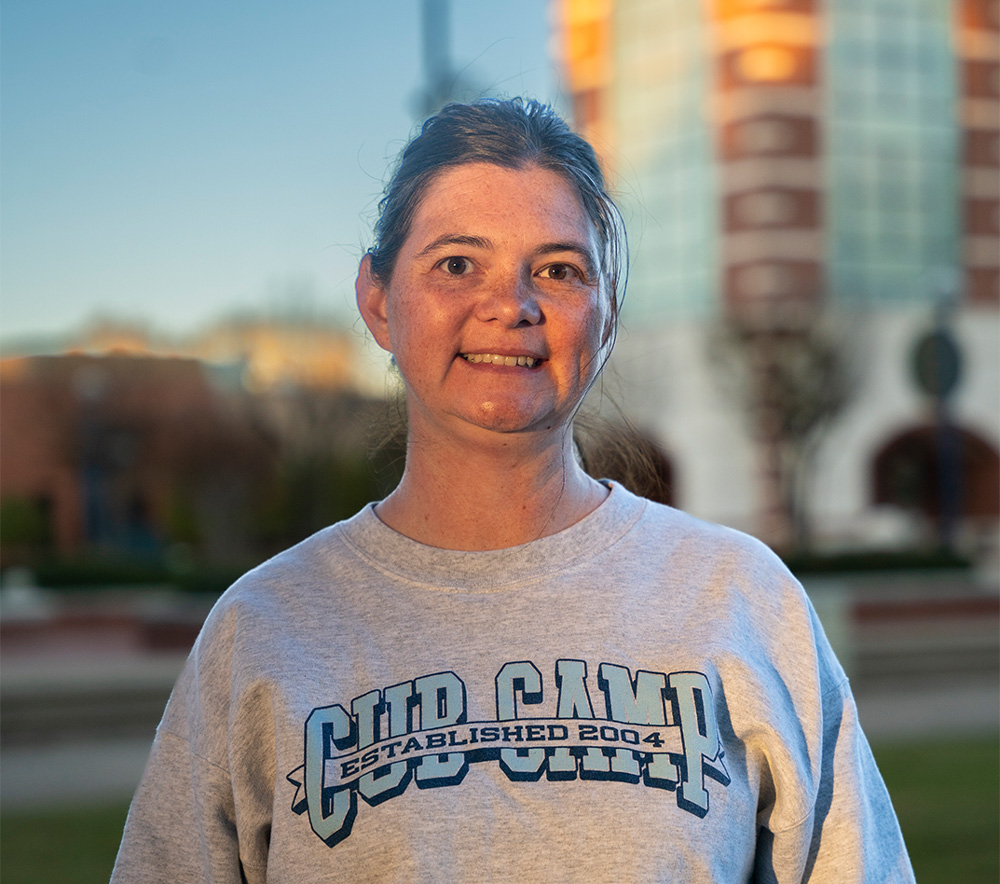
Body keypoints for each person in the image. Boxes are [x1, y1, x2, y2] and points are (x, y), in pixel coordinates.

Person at [111, 97, 914, 883]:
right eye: (457, 264)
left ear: (604, 314)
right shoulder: (262, 630)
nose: (512, 306)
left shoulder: (741, 598)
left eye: (559, 270)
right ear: (378, 302)